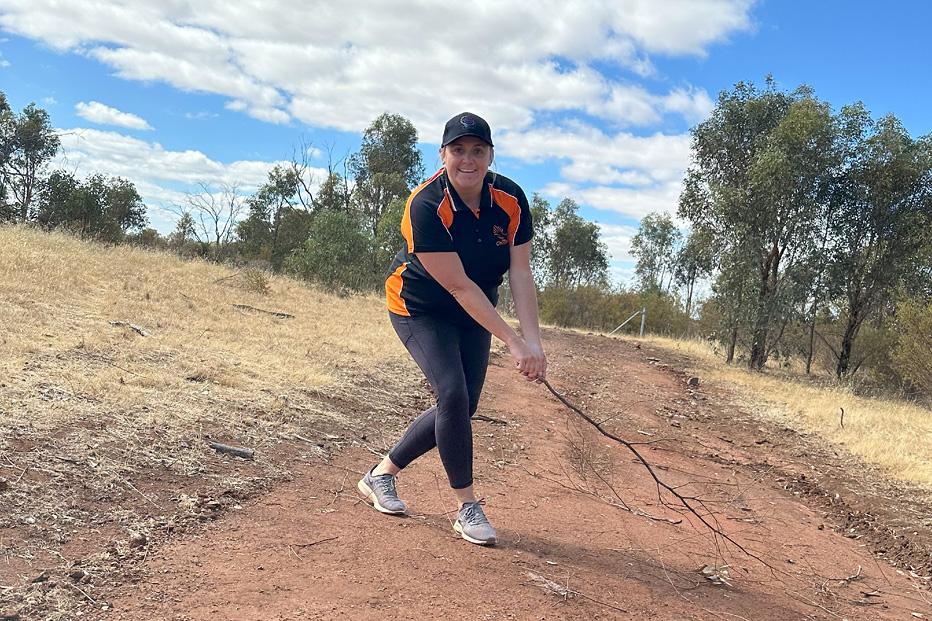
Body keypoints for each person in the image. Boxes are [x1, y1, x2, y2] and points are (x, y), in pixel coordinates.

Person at [357, 112, 547, 546]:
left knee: (464, 406)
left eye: (477, 150)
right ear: (442, 155)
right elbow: (459, 285)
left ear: (490, 155)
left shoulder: (511, 199)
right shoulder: (425, 204)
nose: (468, 159)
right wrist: (515, 343)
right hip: (419, 306)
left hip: (472, 311)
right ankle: (467, 506)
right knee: (453, 394)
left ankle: (380, 475)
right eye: (458, 150)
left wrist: (533, 340)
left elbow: (520, 272)